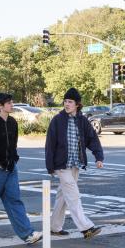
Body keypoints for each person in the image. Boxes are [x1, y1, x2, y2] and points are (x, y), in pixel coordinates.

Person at [0, 93, 42, 244]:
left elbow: (13, 145)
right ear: (0, 106)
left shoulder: (13, 122)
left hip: (11, 168)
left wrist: (14, 159)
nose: (12, 105)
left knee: (15, 201)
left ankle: (28, 234)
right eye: (9, 103)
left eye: (11, 102)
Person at [45, 88, 104, 240]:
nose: (67, 104)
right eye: (65, 101)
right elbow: (50, 144)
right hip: (61, 165)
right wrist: (50, 166)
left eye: (70, 101)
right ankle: (86, 228)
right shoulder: (57, 120)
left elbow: (92, 139)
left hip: (75, 164)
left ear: (77, 104)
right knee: (73, 195)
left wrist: (98, 157)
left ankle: (54, 227)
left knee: (63, 196)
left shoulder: (82, 120)